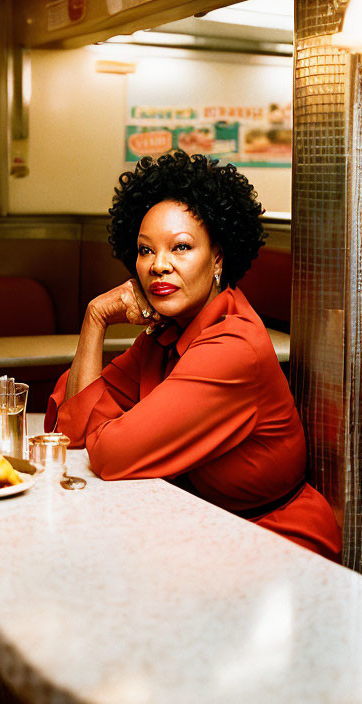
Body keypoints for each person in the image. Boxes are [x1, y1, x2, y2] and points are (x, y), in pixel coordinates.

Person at [45, 150, 342, 562]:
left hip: (274, 545)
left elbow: (109, 454)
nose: (158, 266)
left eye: (180, 247)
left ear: (217, 257)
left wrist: (110, 424)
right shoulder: (167, 333)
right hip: (201, 528)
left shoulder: (232, 349)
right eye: (145, 250)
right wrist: (95, 319)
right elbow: (71, 431)